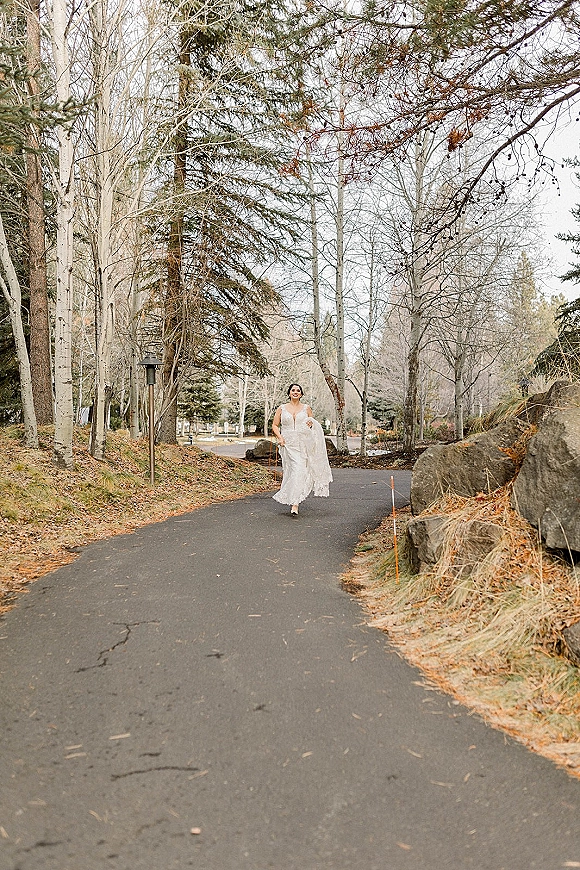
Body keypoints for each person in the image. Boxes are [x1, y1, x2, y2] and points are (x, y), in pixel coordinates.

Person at [271, 383, 333, 516]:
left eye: (298, 390)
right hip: (287, 444)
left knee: (300, 470)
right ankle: (291, 497)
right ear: (289, 393)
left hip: (302, 444)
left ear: (301, 394)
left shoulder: (306, 408)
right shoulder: (281, 408)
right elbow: (275, 425)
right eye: (293, 390)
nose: (295, 392)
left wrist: (310, 425)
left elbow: (311, 426)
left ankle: (295, 503)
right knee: (291, 471)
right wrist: (280, 438)